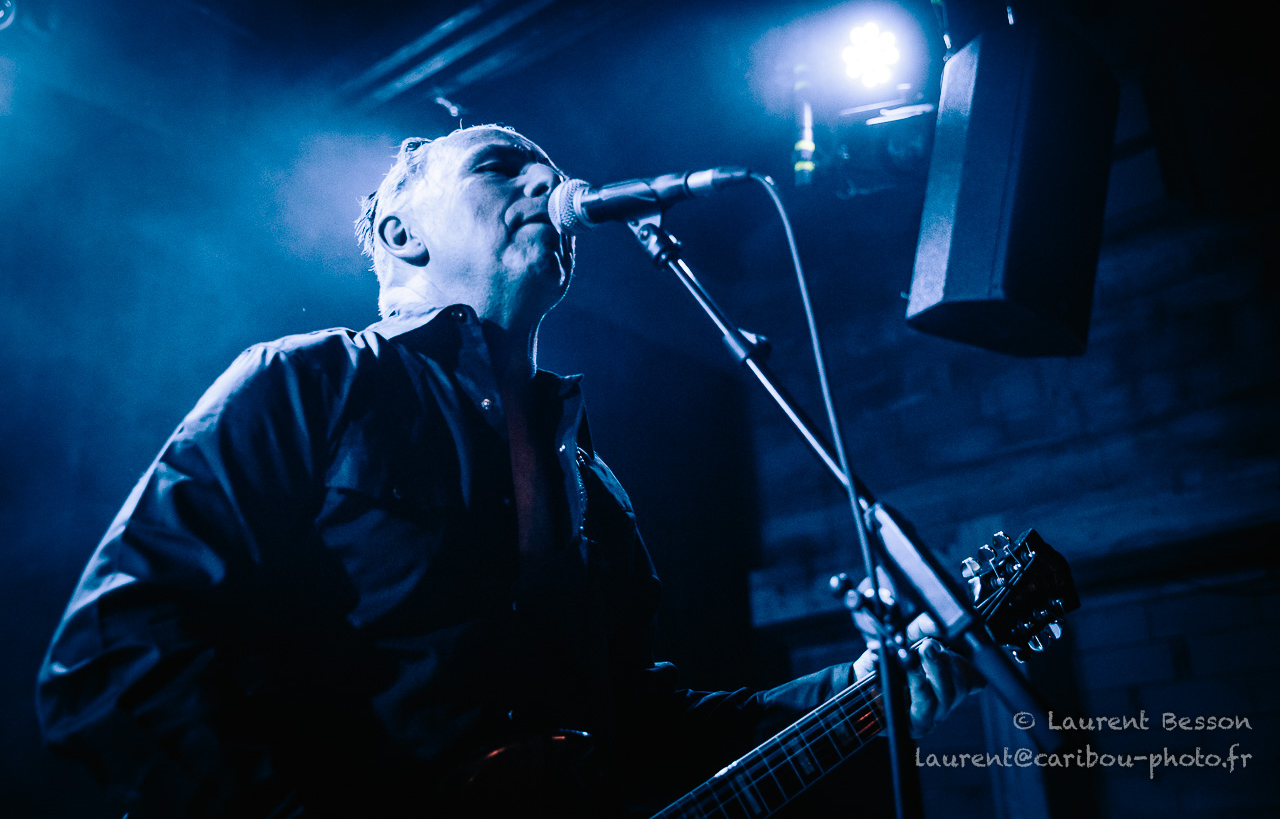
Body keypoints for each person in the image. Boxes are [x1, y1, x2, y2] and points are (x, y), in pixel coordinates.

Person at [37, 124, 977, 817]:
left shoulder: (591, 483)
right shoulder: (307, 382)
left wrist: (859, 690)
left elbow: (644, 729)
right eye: (501, 165)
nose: (549, 183)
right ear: (402, 233)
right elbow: (110, 658)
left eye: (554, 174)